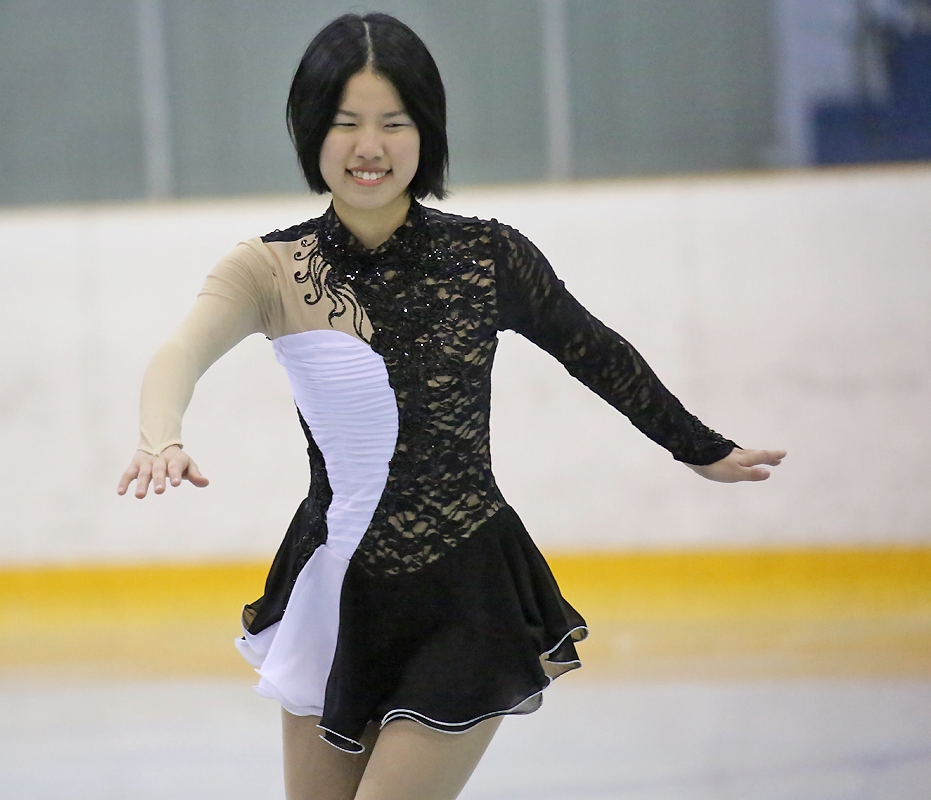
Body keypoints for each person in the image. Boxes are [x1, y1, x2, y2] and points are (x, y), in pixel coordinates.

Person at [118, 12, 785, 800]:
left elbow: (594, 351)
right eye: (346, 123)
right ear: (311, 130)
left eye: (394, 123)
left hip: (464, 589)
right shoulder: (269, 269)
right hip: (334, 587)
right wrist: (160, 436)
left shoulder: (488, 257)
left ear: (426, 131)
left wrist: (698, 446)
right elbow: (180, 352)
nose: (369, 147)